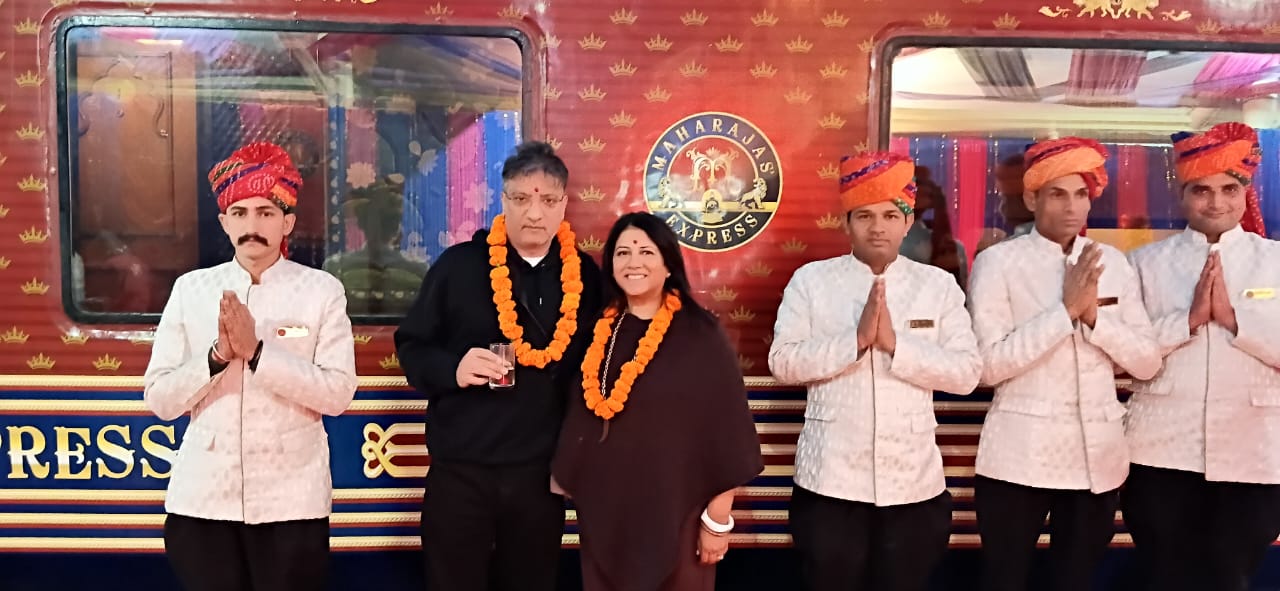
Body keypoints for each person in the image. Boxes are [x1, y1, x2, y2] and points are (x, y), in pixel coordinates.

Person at [143, 141, 358, 591]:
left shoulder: (321, 291)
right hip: (203, 501)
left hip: (292, 502)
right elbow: (161, 401)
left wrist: (258, 353)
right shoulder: (191, 290)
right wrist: (217, 357)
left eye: (265, 212)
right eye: (239, 213)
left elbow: (337, 395)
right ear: (224, 222)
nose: (252, 226)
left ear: (287, 222)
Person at [394, 141, 603, 591]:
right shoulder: (458, 267)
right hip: (461, 471)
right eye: (522, 198)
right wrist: (453, 368)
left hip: (539, 477)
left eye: (547, 200)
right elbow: (411, 347)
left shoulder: (585, 277)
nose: (534, 213)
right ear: (503, 200)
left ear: (563, 204)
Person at [769, 151, 982, 591]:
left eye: (890, 215)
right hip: (829, 483)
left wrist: (895, 345)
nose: (878, 227)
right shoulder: (811, 281)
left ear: (908, 222)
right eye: (864, 216)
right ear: (846, 224)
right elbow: (783, 362)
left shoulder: (937, 285)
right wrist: (855, 342)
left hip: (913, 486)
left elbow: (966, 374)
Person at [966, 137, 1161, 591]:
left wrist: (1094, 318)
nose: (1072, 207)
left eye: (1080, 194)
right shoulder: (998, 262)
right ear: (1032, 198)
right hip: (1019, 454)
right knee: (1004, 580)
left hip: (1097, 456)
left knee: (1074, 580)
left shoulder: (1112, 263)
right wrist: (1064, 313)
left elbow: (1147, 362)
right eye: (1057, 194)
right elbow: (988, 367)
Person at [551, 212, 763, 591]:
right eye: (623, 253)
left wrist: (717, 520)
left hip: (678, 513)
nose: (633, 262)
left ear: (668, 265)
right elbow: (579, 415)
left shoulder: (701, 334)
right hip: (606, 518)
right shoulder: (598, 331)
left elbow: (728, 429)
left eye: (646, 252)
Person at [1123, 122, 1280, 591]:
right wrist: (1186, 321)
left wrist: (1235, 320)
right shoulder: (1144, 264)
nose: (1216, 203)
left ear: (1246, 192)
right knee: (1164, 575)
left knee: (1232, 576)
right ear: (1182, 194)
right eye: (1202, 190)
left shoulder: (1274, 261)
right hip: (1160, 449)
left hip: (1253, 449)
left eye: (1229, 189)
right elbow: (1127, 355)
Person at [322, 173, 429, 316]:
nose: (382, 225)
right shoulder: (336, 268)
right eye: (378, 218)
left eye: (388, 219)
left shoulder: (336, 267)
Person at [899, 166, 969, 287]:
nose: (926, 188)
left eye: (927, 183)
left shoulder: (951, 246)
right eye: (918, 183)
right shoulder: (890, 241)